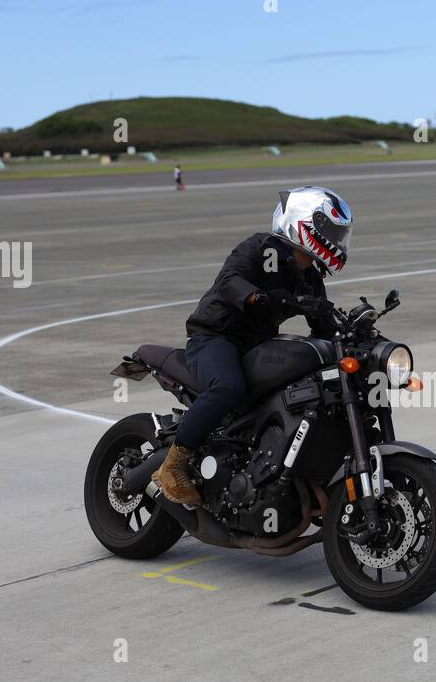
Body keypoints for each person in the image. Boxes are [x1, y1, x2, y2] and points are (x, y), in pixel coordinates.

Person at [151, 186, 352, 505]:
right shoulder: (260, 247)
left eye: (339, 233)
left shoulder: (310, 276)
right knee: (228, 387)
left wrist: (351, 340)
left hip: (256, 345)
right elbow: (231, 280)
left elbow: (323, 322)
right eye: (330, 230)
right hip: (215, 337)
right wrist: (256, 297)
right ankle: (173, 465)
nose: (337, 239)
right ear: (303, 223)